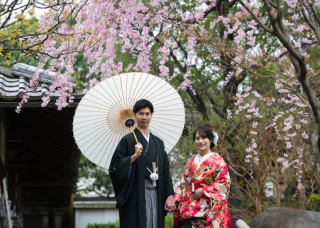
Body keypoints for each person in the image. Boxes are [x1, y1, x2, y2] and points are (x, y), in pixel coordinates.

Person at [109, 99, 175, 228]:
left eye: (147, 114)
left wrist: (170, 195)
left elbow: (166, 170)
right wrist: (134, 156)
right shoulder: (127, 140)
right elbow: (115, 167)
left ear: (151, 115)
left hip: (157, 192)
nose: (144, 117)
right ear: (134, 115)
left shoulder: (159, 142)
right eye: (141, 113)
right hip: (136, 194)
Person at [174, 125, 233, 228]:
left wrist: (204, 190)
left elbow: (224, 183)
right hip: (189, 209)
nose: (200, 141)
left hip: (207, 210)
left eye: (203, 138)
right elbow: (183, 183)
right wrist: (176, 199)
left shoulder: (218, 160)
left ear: (210, 139)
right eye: (197, 138)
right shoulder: (191, 161)